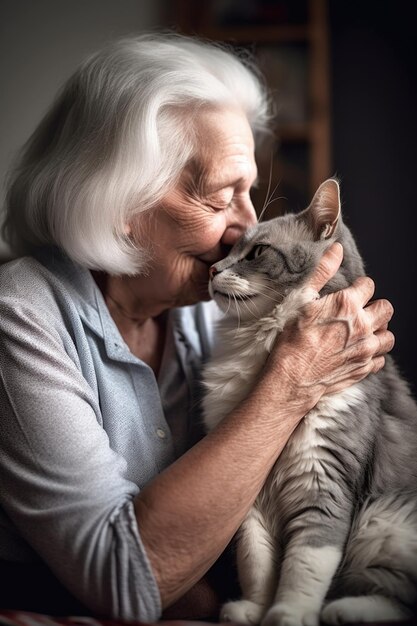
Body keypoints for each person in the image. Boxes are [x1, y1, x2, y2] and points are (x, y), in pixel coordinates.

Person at [0, 33, 394, 622]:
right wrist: (292, 383)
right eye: (220, 198)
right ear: (118, 201)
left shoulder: (209, 308)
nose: (247, 228)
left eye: (250, 193)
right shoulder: (21, 316)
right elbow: (128, 581)